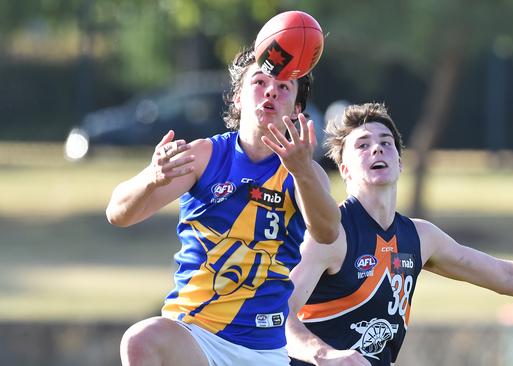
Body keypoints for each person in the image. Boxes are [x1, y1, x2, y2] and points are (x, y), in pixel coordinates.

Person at [285, 102, 513, 366]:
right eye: (362, 144)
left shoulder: (420, 238)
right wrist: (325, 356)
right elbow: (276, 314)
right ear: (345, 168)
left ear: (399, 160)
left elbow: (503, 274)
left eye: (385, 142)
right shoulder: (330, 235)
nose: (377, 147)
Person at [106, 45, 340, 366]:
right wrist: (151, 177)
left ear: (297, 109)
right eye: (259, 82)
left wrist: (302, 172)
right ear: (237, 98)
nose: (270, 90)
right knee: (141, 341)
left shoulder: (304, 173)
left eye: (284, 87)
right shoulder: (205, 156)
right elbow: (117, 213)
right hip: (195, 333)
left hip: (263, 349)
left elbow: (327, 232)